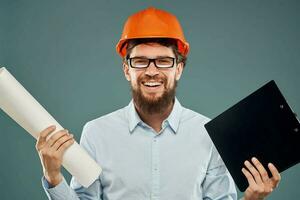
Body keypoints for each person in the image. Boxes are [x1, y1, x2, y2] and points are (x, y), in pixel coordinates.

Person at [36, 7, 281, 200]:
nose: (152, 71)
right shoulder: (97, 132)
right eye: (141, 61)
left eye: (163, 61)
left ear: (179, 69)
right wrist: (54, 175)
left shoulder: (209, 133)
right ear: (126, 70)